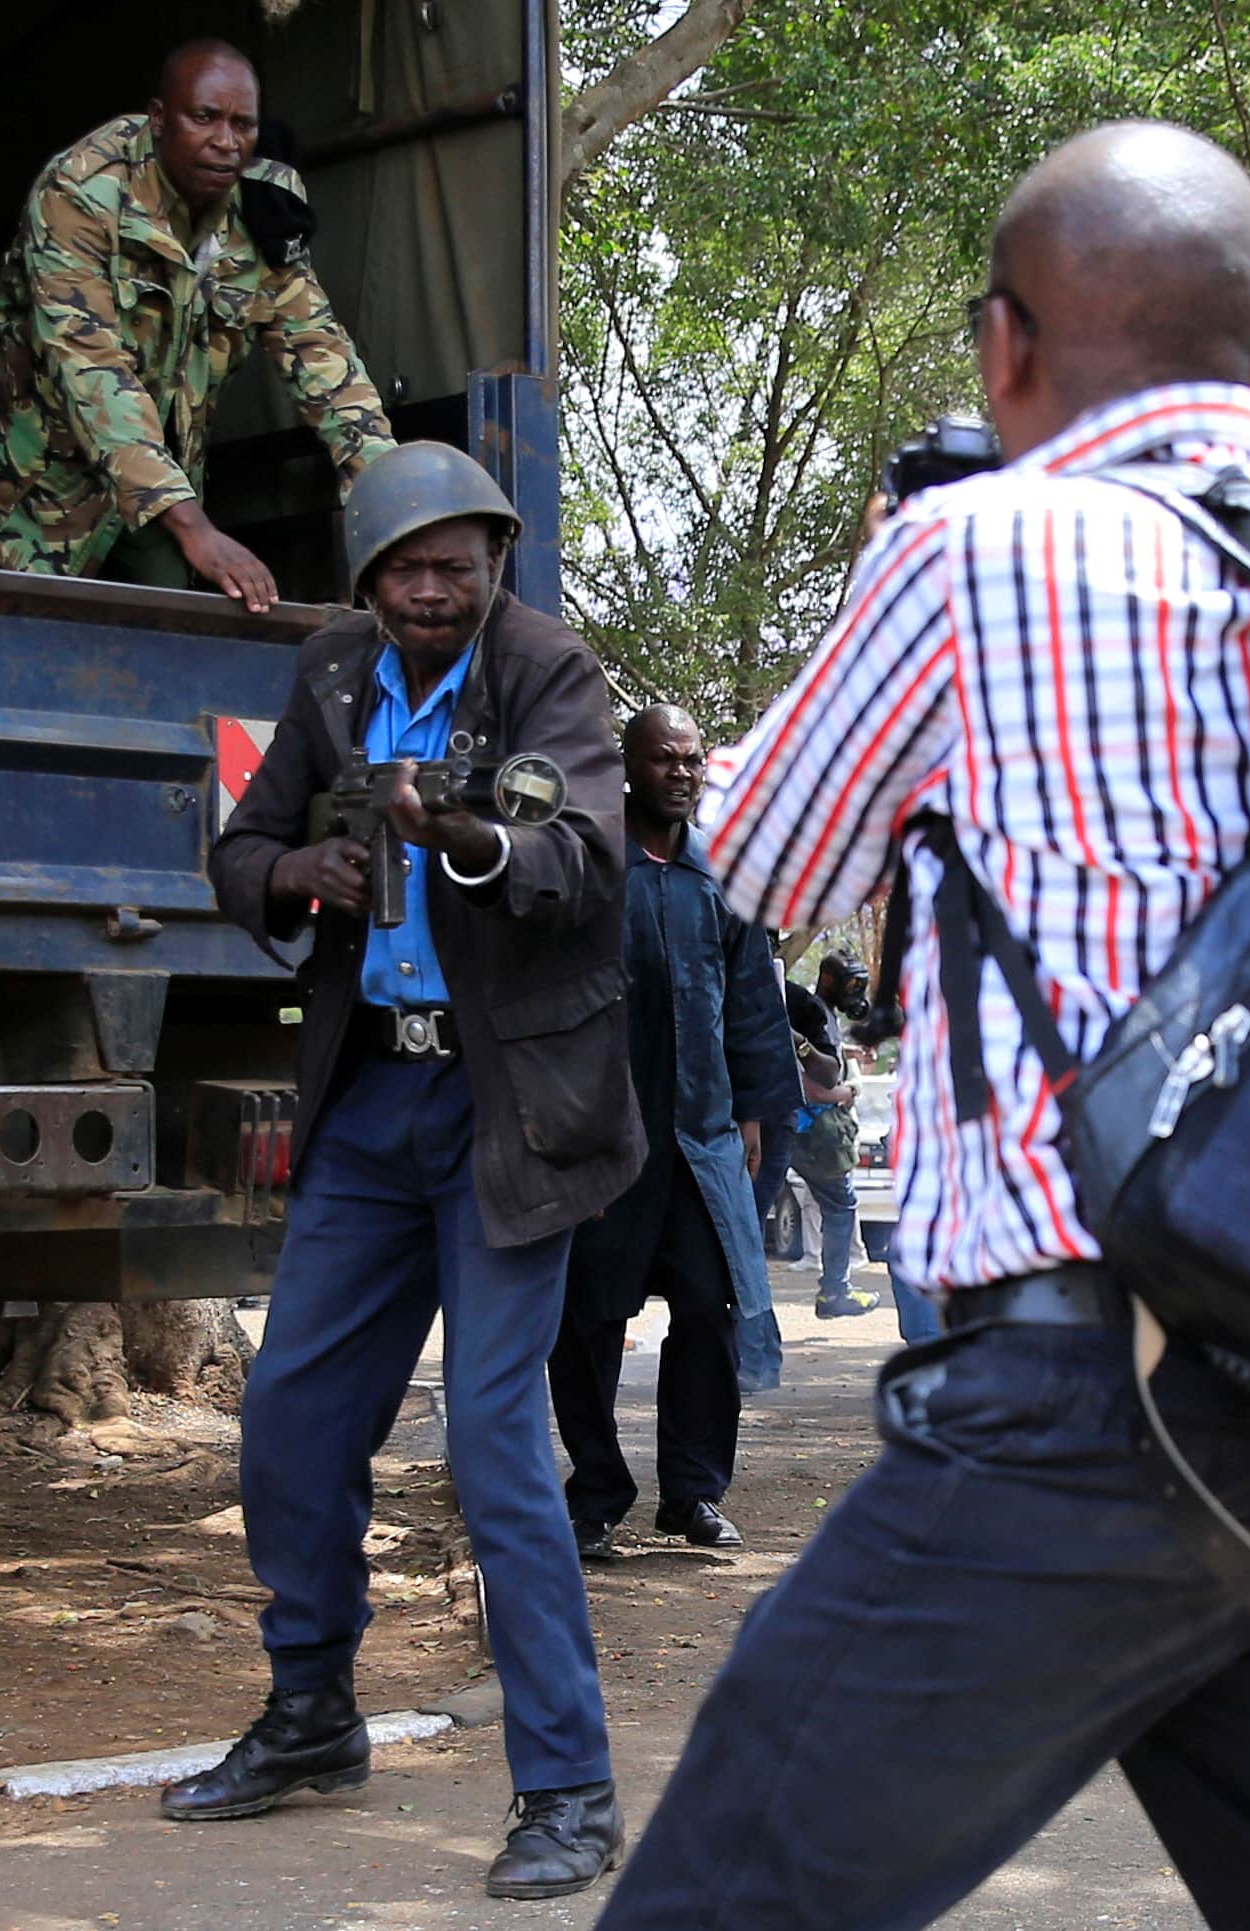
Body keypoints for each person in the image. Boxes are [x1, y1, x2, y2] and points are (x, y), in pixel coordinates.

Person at [597, 122, 1250, 1930]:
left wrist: (888, 566)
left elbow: (757, 854)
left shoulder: (971, 553)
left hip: (1094, 1404)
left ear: (1004, 348)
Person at [185, 440, 639, 1900]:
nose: (435, 588)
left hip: (505, 1105)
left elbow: (585, 859)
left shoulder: (549, 669)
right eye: (408, 567)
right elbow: (239, 841)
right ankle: (312, 1711)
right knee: (291, 1413)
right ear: (368, 578)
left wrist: (465, 834)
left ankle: (567, 1787)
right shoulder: (328, 677)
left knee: (495, 1444)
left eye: (459, 563)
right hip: (371, 1096)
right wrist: (289, 876)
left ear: (493, 563)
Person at [0, 39, 393, 606]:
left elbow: (324, 359)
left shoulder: (262, 211)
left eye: (242, 125)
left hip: (153, 484)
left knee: (169, 629)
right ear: (158, 119)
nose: (226, 143)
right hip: (23, 476)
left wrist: (395, 500)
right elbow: (91, 368)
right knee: (4, 646)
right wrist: (195, 528)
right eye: (204, 118)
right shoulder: (82, 192)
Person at [549, 706, 799, 1560]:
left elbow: (756, 1008)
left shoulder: (722, 875)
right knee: (587, 1320)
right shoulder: (593, 864)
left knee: (708, 1306)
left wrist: (757, 1111)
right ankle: (595, 1496)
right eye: (666, 759)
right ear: (630, 766)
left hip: (698, 1139)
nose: (684, 772)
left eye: (693, 759)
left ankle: (693, 1491)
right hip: (606, 1139)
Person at [782, 953, 881, 1319]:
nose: (855, 993)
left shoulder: (819, 1013)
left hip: (795, 1129)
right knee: (841, 1205)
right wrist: (844, 1093)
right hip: (809, 1130)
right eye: (850, 984)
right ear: (828, 979)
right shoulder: (812, 1011)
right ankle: (834, 1292)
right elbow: (812, 1083)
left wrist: (849, 1054)